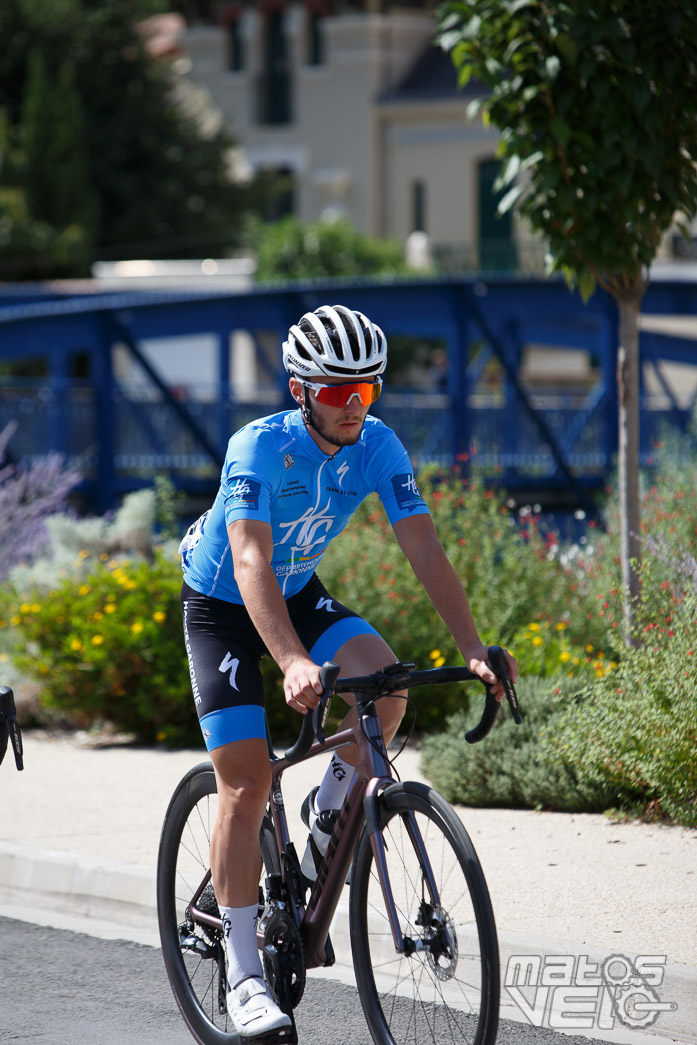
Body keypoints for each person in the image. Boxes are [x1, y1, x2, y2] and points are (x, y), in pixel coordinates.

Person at [179, 304, 518, 1038]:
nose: (355, 405)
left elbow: (422, 546)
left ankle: (327, 813)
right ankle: (241, 975)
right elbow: (249, 562)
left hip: (296, 591)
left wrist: (471, 645)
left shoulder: (377, 444)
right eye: (339, 392)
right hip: (224, 604)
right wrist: (294, 660)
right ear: (301, 391)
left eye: (368, 388)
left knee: (385, 684)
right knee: (245, 778)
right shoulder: (258, 448)